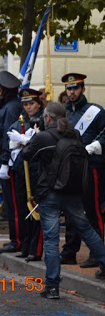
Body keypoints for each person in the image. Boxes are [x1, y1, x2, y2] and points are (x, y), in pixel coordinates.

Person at [22, 101, 105, 299]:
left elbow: (26, 155)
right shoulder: (74, 134)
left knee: (51, 239)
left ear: (48, 118)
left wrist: (32, 136)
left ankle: (52, 286)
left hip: (50, 194)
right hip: (72, 192)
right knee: (86, 229)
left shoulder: (43, 137)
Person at [58, 73, 105, 268]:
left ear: (83, 89)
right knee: (70, 212)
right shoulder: (64, 114)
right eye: (69, 89)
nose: (72, 92)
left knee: (92, 212)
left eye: (75, 88)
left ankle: (98, 253)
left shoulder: (96, 111)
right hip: (70, 169)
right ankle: (70, 251)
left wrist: (96, 145)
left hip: (90, 166)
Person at [6, 88, 45, 261]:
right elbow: (8, 140)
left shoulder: (44, 120)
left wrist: (27, 141)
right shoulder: (19, 122)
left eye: (32, 104)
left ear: (39, 104)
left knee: (36, 210)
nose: (29, 108)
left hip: (37, 170)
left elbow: (46, 138)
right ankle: (26, 245)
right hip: (21, 169)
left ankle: (35, 250)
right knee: (23, 210)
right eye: (26, 104)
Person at [0, 71, 24, 253]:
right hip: (4, 159)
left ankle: (17, 240)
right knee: (12, 205)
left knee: (14, 205)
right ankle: (16, 238)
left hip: (9, 162)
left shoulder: (11, 108)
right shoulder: (9, 106)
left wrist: (4, 161)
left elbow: (8, 137)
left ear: (2, 90)